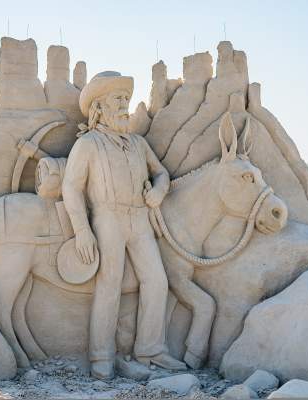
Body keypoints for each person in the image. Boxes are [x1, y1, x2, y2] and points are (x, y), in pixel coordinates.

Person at [62, 71, 186, 379]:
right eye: (118, 99)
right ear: (99, 107)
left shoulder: (137, 144)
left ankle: (151, 349)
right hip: (108, 218)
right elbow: (71, 188)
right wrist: (82, 230)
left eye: (126, 100)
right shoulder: (88, 144)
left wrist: (158, 192)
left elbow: (161, 173)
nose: (124, 106)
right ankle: (101, 356)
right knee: (109, 283)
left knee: (157, 281)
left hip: (140, 217)